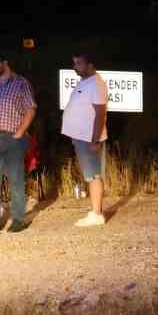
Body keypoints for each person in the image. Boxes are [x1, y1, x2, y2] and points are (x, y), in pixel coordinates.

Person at [0, 50, 38, 234]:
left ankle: (18, 219)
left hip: (13, 138)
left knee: (16, 180)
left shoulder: (21, 83)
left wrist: (20, 133)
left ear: (5, 62)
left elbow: (31, 109)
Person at [61, 52, 109, 227]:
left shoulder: (96, 84)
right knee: (90, 174)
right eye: (74, 63)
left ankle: (97, 214)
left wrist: (95, 140)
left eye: (79, 63)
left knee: (93, 174)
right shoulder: (85, 81)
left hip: (88, 138)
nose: (75, 67)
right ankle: (95, 211)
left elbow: (100, 113)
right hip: (81, 136)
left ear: (90, 65)